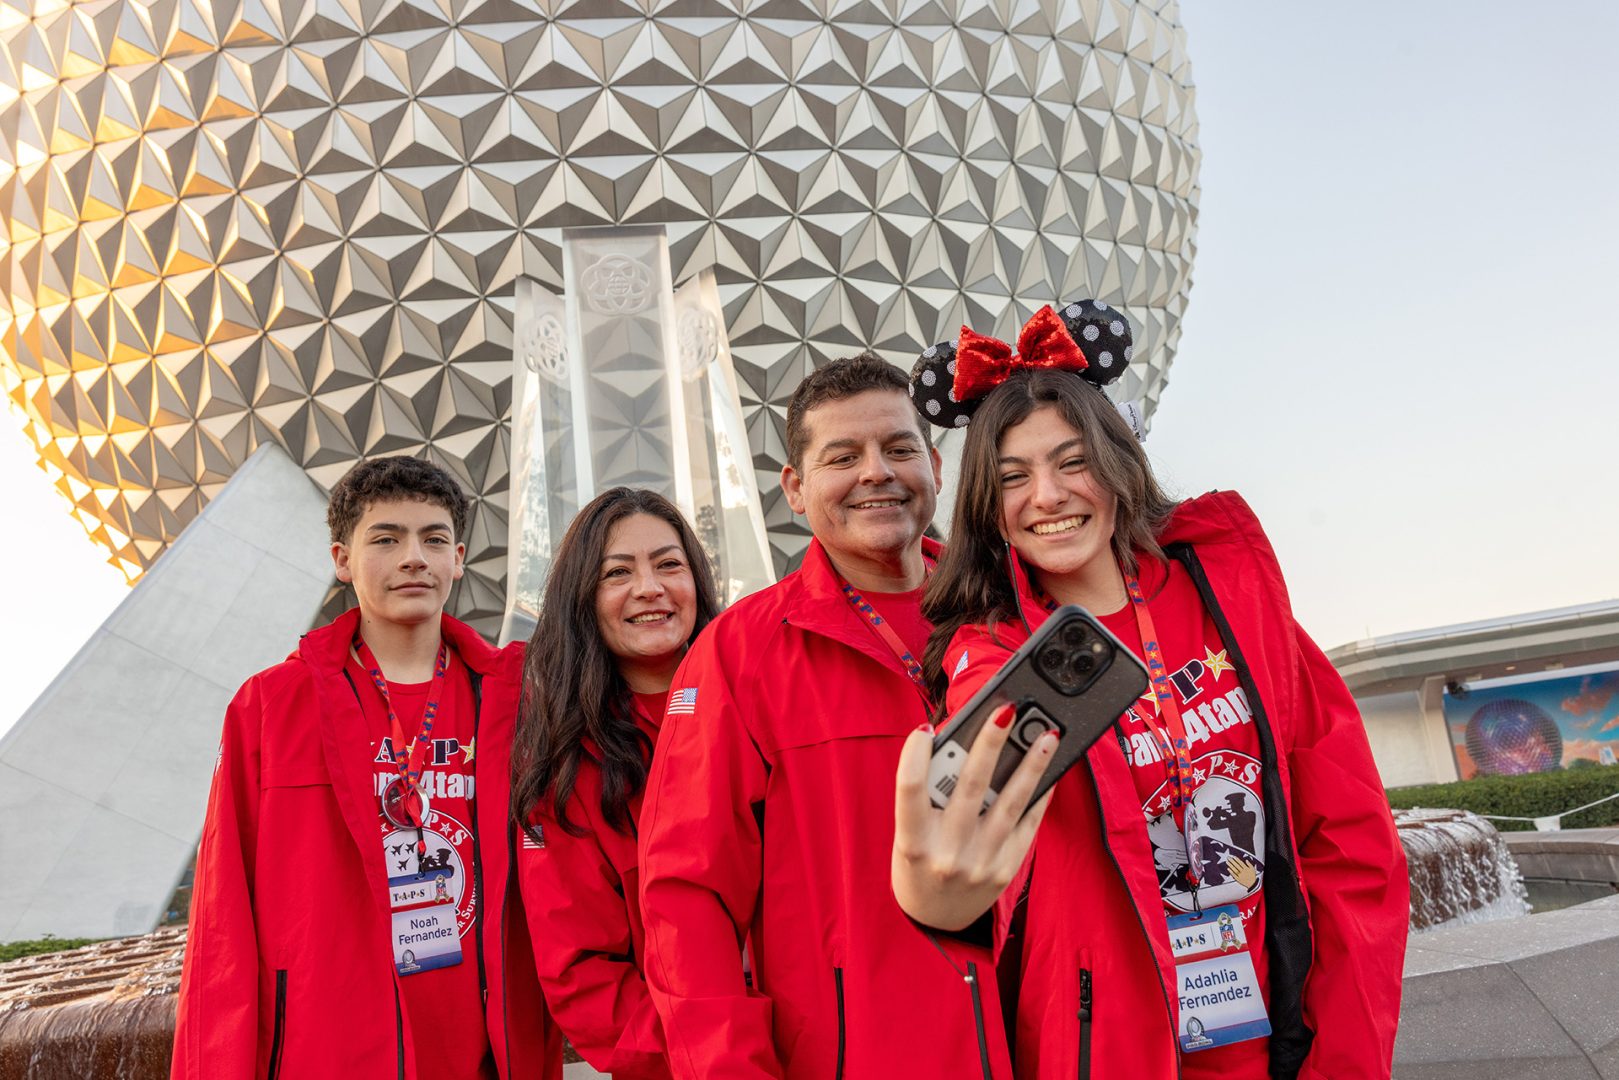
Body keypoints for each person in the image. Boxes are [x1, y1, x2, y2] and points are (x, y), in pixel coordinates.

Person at [892, 303, 1409, 1080]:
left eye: (1071, 462)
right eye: (1012, 477)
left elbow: (1351, 841)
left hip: (1274, 1041)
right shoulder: (989, 655)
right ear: (987, 509)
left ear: (1117, 465)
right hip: (1106, 1052)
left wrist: (1343, 1059)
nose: (1046, 495)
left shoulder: (1230, 604)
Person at [637, 355, 1018, 1078]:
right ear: (794, 489)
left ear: (936, 467)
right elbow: (687, 896)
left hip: (1046, 1044)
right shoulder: (741, 653)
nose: (876, 472)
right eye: (842, 458)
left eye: (898, 448)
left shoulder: (1015, 612)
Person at [172, 456, 559, 1080]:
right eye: (386, 539)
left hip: (484, 1054)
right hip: (330, 1051)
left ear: (459, 559)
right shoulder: (271, 706)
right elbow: (222, 919)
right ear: (342, 559)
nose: (414, 558)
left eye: (434, 539)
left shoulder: (517, 704)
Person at [511, 487, 721, 1078]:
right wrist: (714, 1050)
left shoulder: (760, 704)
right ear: (583, 599)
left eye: (669, 564)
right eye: (617, 572)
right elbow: (582, 977)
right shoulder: (564, 764)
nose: (649, 588)